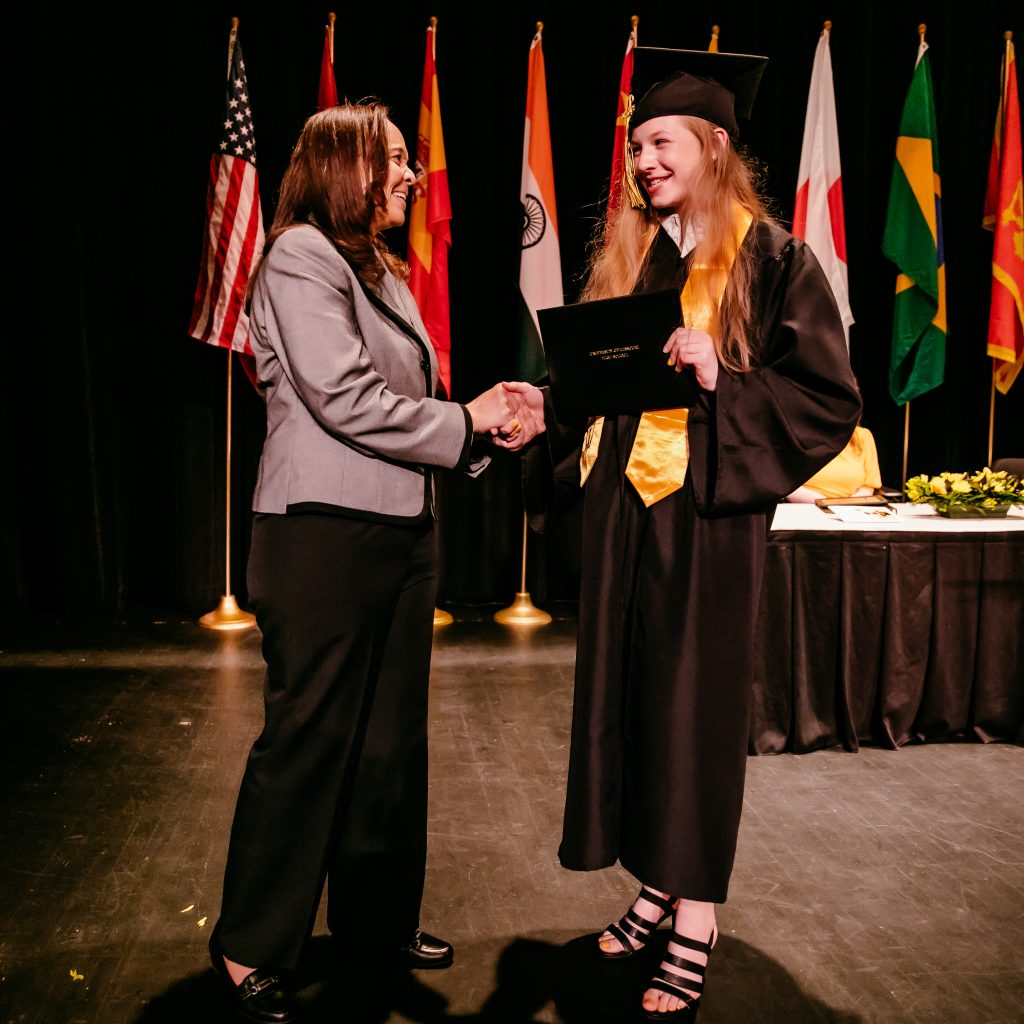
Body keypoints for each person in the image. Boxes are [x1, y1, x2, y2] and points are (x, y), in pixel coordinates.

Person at [208, 102, 543, 1023]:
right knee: (310, 741)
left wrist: (485, 426)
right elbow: (347, 397)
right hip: (321, 537)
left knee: (391, 747)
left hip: (400, 536)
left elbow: (410, 401)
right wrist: (469, 421)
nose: (411, 175)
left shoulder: (380, 270)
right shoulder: (299, 256)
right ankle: (249, 945)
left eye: (409, 161)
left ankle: (375, 923)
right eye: (395, 160)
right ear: (342, 166)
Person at [548, 49, 862, 1020]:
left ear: (713, 144)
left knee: (692, 714)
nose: (643, 161)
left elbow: (826, 398)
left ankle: (696, 915)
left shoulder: (772, 259)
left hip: (708, 515)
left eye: (660, 143)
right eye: (636, 145)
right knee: (634, 704)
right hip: (625, 518)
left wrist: (725, 381)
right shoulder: (633, 254)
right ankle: (654, 881)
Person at [786, 423, 882, 502]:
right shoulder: (797, 434)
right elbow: (785, 483)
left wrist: (846, 506)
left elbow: (869, 485)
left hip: (851, 510)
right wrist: (826, 503)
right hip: (804, 507)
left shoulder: (862, 435)